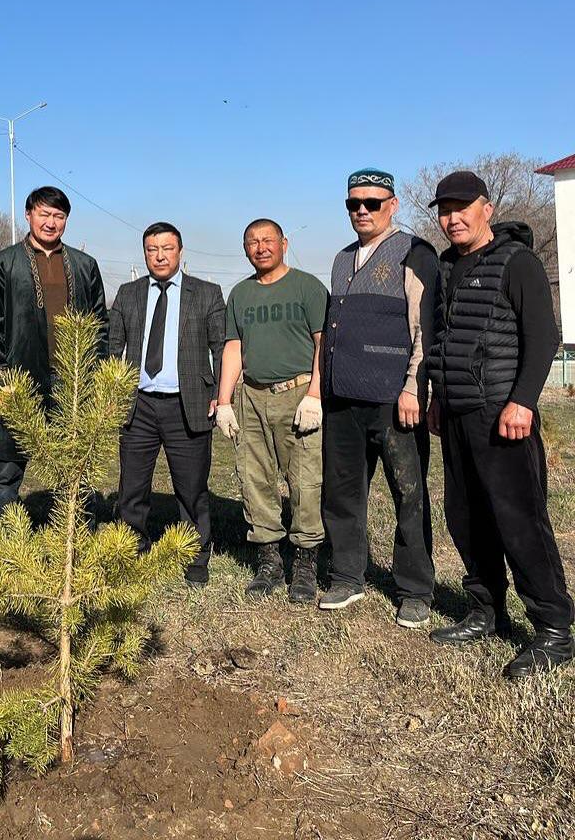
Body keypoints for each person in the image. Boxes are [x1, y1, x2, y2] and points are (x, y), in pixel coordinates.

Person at [425, 171, 573, 677]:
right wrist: (437, 398)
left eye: (463, 207)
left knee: (521, 522)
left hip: (502, 414)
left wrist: (523, 402)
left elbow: (544, 337)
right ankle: (486, 610)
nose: (453, 217)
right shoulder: (446, 266)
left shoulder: (518, 262)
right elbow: (443, 339)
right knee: (466, 520)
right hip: (458, 413)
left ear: (487, 208)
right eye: (445, 210)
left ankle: (553, 629)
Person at [320, 168, 439, 628]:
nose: (362, 211)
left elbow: (422, 329)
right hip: (343, 399)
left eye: (372, 203)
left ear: (393, 204)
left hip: (394, 401)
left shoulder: (415, 252)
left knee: (408, 494)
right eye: (354, 204)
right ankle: (348, 575)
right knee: (343, 492)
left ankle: (415, 588)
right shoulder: (340, 257)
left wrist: (413, 387)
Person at [216, 219, 328, 603]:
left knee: (304, 481)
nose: (260, 247)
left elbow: (322, 345)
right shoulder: (241, 294)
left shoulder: (308, 287)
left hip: (296, 395)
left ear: (283, 243)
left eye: (267, 240)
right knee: (254, 479)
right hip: (251, 396)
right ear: (245, 247)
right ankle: (269, 560)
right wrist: (225, 400)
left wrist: (315, 393)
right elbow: (234, 348)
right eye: (252, 241)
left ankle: (305, 562)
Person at [108, 223, 225, 585]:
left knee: (191, 488)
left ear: (180, 251)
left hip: (187, 404)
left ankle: (194, 555)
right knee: (132, 486)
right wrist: (109, 396)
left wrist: (222, 396)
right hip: (138, 405)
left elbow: (221, 347)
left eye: (167, 248)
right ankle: (132, 551)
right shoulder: (128, 294)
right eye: (152, 249)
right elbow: (112, 346)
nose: (159, 256)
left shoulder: (206, 293)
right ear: (144, 253)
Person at [0, 186, 108, 514]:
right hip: (18, 379)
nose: (51, 223)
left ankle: (74, 549)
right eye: (44, 214)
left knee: (76, 471)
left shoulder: (84, 266)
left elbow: (99, 325)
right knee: (6, 473)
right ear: (28, 215)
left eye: (59, 216)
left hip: (73, 381)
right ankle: (5, 551)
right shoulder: (3, 264)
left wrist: (94, 375)